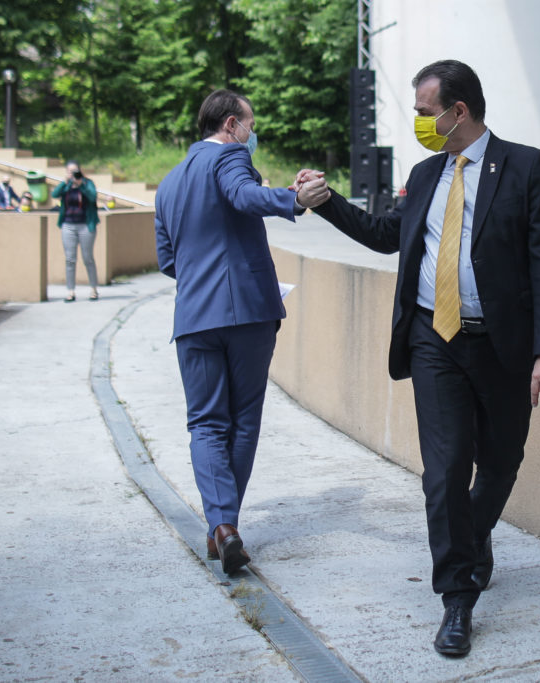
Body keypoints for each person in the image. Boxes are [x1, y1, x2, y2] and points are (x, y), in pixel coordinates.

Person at [297, 59, 540, 656]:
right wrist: (326, 202)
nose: (419, 122)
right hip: (433, 338)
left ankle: (471, 535)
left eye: (426, 112)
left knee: (500, 462)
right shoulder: (425, 174)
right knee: (445, 469)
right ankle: (457, 597)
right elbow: (385, 235)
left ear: (458, 111)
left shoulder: (527, 167)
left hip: (502, 343)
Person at [154, 89, 328, 574]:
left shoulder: (168, 183)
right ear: (231, 124)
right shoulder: (230, 157)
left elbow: (167, 260)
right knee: (243, 420)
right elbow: (242, 195)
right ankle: (225, 525)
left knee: (205, 423)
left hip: (193, 318)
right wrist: (293, 199)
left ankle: (221, 528)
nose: (252, 135)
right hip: (247, 314)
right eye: (250, 125)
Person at [52, 161, 100, 301]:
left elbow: (92, 197)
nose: (73, 174)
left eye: (75, 171)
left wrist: (81, 185)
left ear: (80, 170)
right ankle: (70, 291)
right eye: (70, 171)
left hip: (86, 225)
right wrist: (64, 182)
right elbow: (55, 194)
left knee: (88, 257)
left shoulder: (87, 183)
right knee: (70, 259)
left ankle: (93, 289)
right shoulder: (66, 185)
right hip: (68, 225)